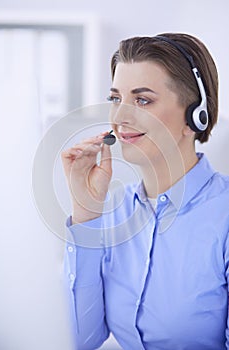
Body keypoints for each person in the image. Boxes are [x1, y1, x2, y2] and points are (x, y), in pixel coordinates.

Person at [61, 33, 229, 350]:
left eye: (142, 100)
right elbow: (80, 339)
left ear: (195, 116)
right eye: (115, 99)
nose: (120, 116)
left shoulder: (223, 217)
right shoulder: (114, 213)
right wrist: (85, 211)